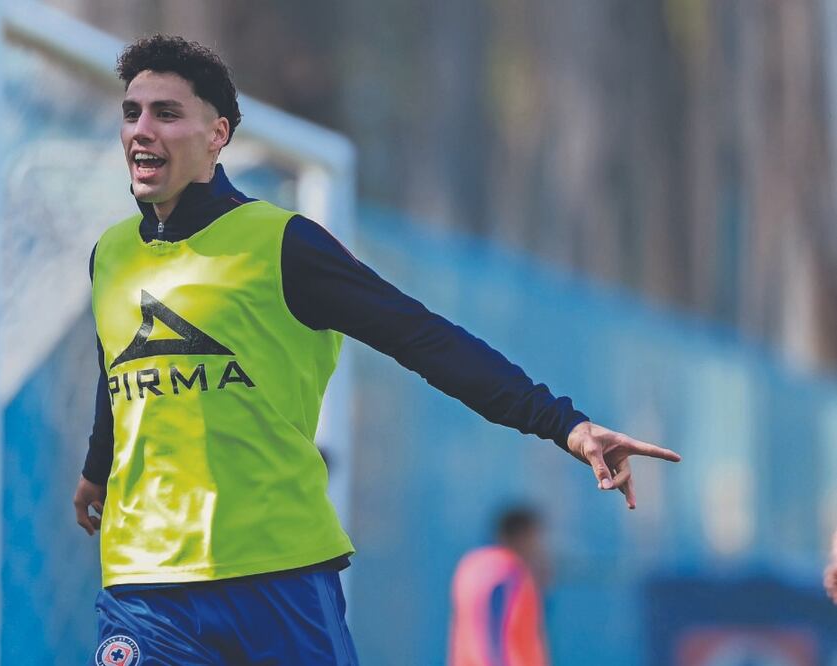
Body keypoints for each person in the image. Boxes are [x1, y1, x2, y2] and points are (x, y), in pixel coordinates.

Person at [72, 34, 681, 665]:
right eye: (131, 113)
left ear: (218, 133)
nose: (141, 129)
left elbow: (420, 337)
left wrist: (564, 424)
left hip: (277, 576)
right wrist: (98, 465)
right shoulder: (111, 255)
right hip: (146, 587)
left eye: (166, 113)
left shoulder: (282, 244)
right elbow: (115, 365)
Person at [448, 507, 552, 666]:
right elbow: (493, 627)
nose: (540, 548)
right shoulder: (507, 570)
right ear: (522, 536)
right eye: (536, 538)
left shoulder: (471, 564)